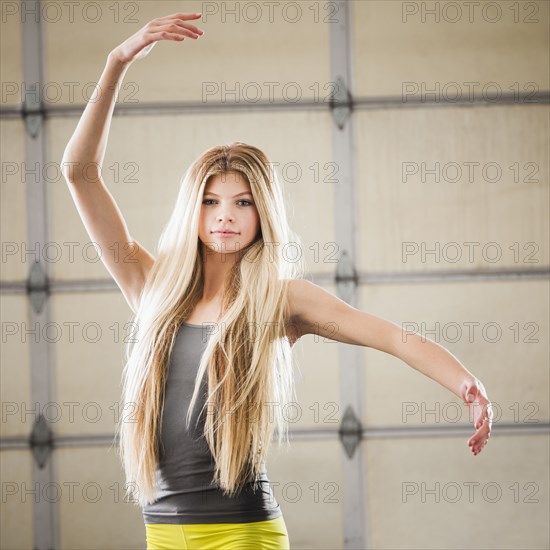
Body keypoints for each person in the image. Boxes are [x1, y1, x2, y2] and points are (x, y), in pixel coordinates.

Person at [61, 12, 493, 550]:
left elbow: (389, 336)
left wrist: (465, 385)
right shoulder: (150, 287)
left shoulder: (281, 300)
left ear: (262, 213)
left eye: (242, 202)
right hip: (163, 535)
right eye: (211, 201)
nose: (225, 215)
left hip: (244, 534)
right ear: (193, 210)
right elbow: (79, 172)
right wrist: (116, 63)